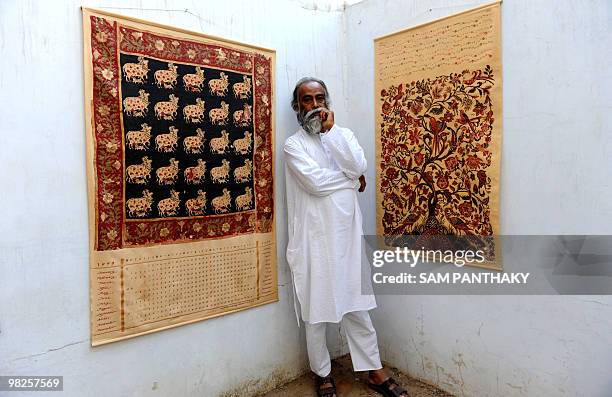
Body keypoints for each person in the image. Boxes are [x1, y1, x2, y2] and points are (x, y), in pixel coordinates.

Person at [284, 77, 409, 397]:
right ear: (297, 107)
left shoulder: (343, 136)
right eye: (307, 100)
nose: (315, 106)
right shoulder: (293, 145)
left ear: (328, 102)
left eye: (320, 98)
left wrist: (332, 135)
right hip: (314, 242)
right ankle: (323, 374)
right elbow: (315, 184)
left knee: (357, 304)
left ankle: (374, 371)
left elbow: (358, 164)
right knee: (316, 310)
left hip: (347, 239)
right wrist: (353, 181)